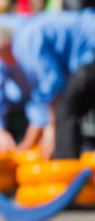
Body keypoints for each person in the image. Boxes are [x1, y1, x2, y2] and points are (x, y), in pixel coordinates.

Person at [10, 11, 95, 159]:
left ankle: (66, 172)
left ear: (5, 46)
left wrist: (52, 129)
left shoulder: (25, 42)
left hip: (90, 49)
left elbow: (53, 82)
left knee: (66, 110)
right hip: (87, 49)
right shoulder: (27, 32)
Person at [0, 28, 41, 153]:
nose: (0, 62)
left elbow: (45, 94)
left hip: (46, 104)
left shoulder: (31, 50)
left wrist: (28, 143)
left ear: (6, 47)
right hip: (21, 106)